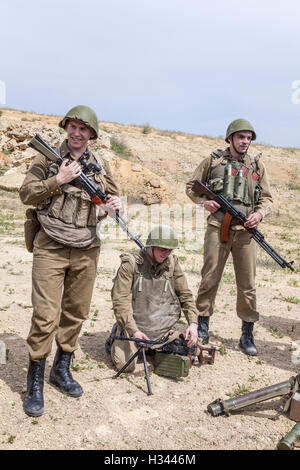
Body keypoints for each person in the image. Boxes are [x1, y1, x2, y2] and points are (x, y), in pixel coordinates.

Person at [19, 105, 121, 417]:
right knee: (45, 316)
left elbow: (113, 201)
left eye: (83, 129)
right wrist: (58, 179)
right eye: (72, 127)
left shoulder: (100, 167)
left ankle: (61, 369)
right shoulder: (46, 158)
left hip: (86, 248)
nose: (77, 134)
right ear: (66, 128)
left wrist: (114, 206)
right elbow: (26, 194)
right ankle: (35, 379)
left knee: (75, 313)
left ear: (91, 134)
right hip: (50, 243)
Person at [186, 119, 273, 356]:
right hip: (217, 227)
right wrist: (206, 202)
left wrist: (259, 213)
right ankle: (202, 323)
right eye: (241, 137)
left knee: (247, 285)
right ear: (230, 138)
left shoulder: (256, 165)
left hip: (245, 233)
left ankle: (247, 332)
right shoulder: (213, 160)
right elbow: (191, 187)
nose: (245, 142)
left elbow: (267, 198)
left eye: (248, 138)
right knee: (210, 276)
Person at [106, 224, 198, 372]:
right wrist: (134, 331)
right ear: (151, 246)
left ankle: (155, 347)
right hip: (135, 328)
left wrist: (193, 324)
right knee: (125, 365)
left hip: (162, 329)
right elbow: (120, 301)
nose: (166, 253)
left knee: (193, 350)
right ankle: (117, 335)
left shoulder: (172, 263)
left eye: (169, 250)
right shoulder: (131, 264)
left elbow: (185, 295)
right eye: (162, 249)